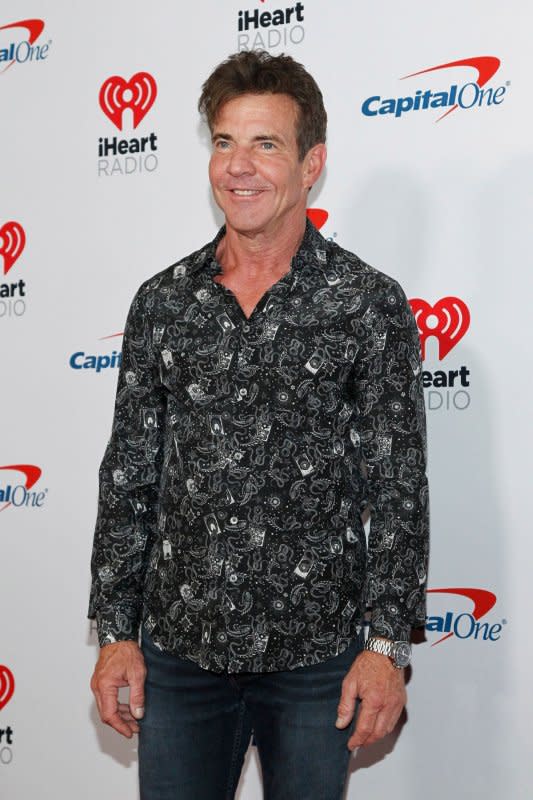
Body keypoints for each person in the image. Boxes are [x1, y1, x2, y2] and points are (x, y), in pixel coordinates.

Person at [89, 49, 429, 800]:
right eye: (222, 142)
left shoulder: (364, 302)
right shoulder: (162, 302)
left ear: (312, 164)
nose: (237, 167)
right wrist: (116, 632)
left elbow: (397, 485)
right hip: (178, 656)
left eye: (264, 144)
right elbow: (129, 476)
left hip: (317, 662)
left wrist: (384, 646)